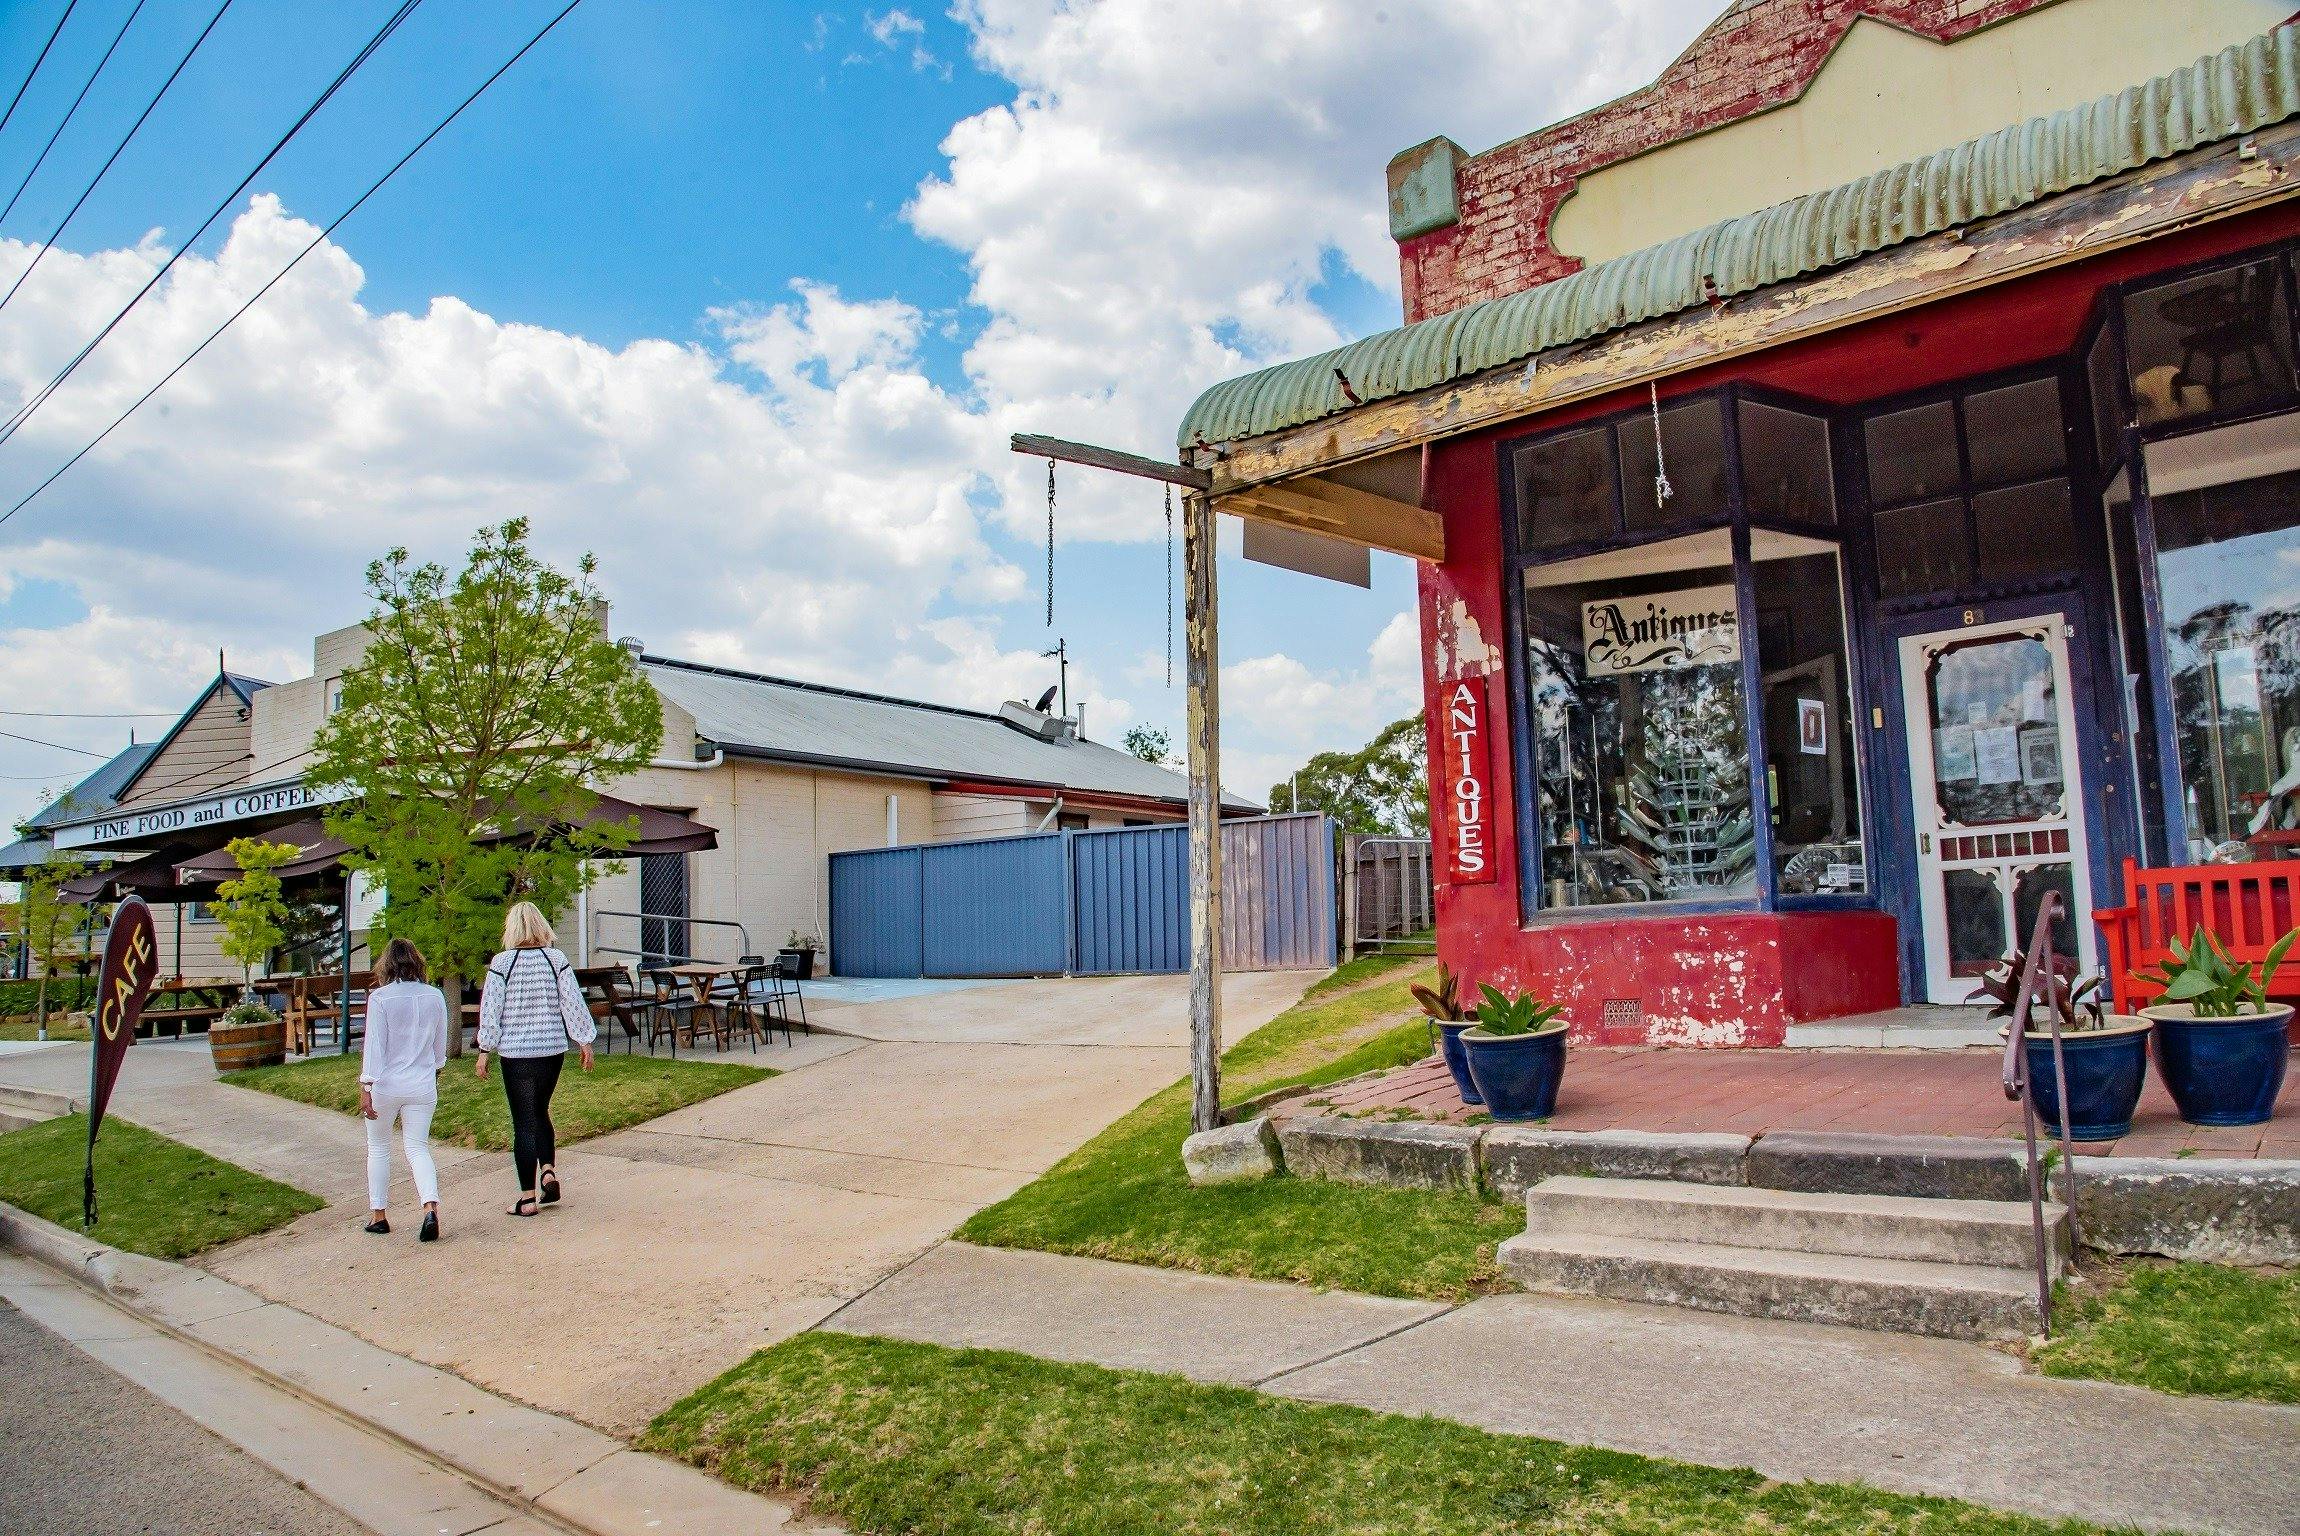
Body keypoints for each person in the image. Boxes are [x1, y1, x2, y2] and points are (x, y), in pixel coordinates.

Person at [475, 901, 595, 1217]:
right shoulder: (556, 960)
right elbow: (572, 1002)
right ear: (542, 926)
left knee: (523, 1121)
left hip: (516, 1053)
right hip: (552, 1049)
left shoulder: (501, 964)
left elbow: (491, 1009)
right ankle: (549, 1171)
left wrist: (484, 1050)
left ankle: (527, 1199)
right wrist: (584, 1040)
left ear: (511, 929)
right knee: (540, 1111)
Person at [359, 937, 448, 1242]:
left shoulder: (381, 999)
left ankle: (379, 1215)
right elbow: (439, 1049)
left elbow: (374, 1047)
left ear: (386, 964)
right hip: (422, 1082)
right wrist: (434, 1067)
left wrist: (366, 1084)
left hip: (386, 1083)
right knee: (418, 1148)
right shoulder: (435, 996)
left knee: (379, 1148)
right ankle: (430, 1207)